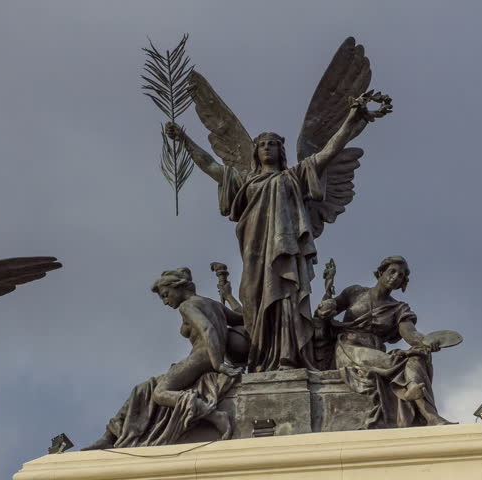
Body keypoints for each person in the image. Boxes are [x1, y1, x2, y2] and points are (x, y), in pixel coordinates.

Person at [165, 95, 386, 372]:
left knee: (287, 300)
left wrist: (353, 119)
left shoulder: (295, 175)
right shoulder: (245, 180)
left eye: (273, 144)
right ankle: (259, 360)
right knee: (253, 300)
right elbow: (211, 166)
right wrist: (185, 141)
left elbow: (330, 151)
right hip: (255, 254)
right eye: (262, 145)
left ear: (281, 151)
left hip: (288, 251)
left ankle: (287, 358)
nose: (267, 148)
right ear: (255, 152)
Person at [85, 268, 244, 449]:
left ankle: (213, 415)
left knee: (160, 393)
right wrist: (229, 296)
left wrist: (218, 364)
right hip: (206, 358)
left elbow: (207, 329)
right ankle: (111, 434)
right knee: (143, 389)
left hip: (202, 358)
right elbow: (243, 318)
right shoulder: (213, 304)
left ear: (178, 287)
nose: (165, 301)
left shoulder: (187, 306)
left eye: (166, 294)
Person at [315, 256, 453, 428]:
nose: (395, 277)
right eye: (392, 272)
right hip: (349, 349)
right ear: (381, 272)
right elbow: (331, 308)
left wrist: (426, 342)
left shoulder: (399, 308)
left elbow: (411, 335)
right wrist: (326, 307)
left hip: (374, 352)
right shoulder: (355, 292)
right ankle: (406, 392)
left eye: (401, 276)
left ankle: (430, 415)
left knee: (415, 358)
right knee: (396, 361)